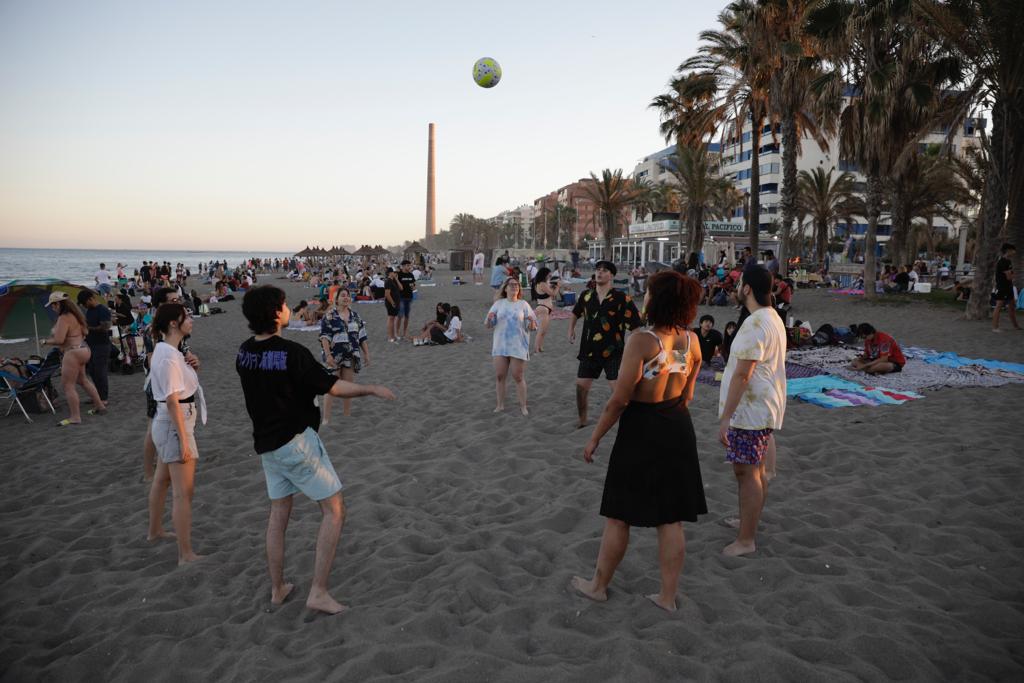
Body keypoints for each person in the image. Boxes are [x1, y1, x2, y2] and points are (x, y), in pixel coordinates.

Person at [236, 285, 395, 615]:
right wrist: (371, 389)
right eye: (283, 304)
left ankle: (278, 588)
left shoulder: (244, 352)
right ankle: (318, 592)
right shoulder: (292, 353)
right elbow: (333, 387)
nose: (288, 307)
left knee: (279, 514)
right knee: (334, 510)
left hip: (267, 446)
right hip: (296, 444)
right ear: (275, 313)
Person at [572, 271, 706, 612]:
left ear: (656, 300)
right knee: (670, 518)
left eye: (647, 292)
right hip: (677, 424)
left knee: (618, 515)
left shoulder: (643, 341)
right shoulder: (692, 340)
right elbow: (689, 388)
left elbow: (619, 399)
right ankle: (667, 597)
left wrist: (594, 437)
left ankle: (598, 586)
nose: (643, 297)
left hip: (642, 429)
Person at [717, 266, 787, 557]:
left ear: (747, 289)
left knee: (746, 473)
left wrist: (725, 418)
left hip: (751, 412)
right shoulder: (771, 318)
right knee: (755, 471)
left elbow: (743, 375)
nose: (736, 287)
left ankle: (746, 539)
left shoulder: (756, 323)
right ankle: (749, 521)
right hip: (762, 407)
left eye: (739, 283)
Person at [146, 303, 206, 565]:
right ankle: (185, 554)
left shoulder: (169, 350)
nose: (191, 320)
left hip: (170, 421)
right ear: (173, 323)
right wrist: (183, 439)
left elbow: (181, 384)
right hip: (175, 422)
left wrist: (193, 364)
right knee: (184, 492)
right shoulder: (169, 355)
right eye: (187, 316)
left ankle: (155, 531)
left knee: (162, 481)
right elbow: (172, 399)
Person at [568, 260, 641, 428]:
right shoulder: (587, 295)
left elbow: (636, 326)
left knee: (619, 394)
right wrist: (570, 330)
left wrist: (636, 350)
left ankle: (627, 423)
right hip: (589, 351)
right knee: (581, 389)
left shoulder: (621, 298)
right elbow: (575, 313)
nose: (600, 273)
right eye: (598, 270)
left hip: (613, 351)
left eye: (604, 271)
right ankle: (582, 421)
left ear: (612, 276)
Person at [43, 292, 106, 426]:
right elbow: (86, 332)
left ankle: (75, 417)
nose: (52, 308)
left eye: (53, 305)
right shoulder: (76, 315)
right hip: (84, 349)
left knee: (68, 385)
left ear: (58, 304)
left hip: (72, 353)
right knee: (83, 380)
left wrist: (45, 342)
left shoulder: (63, 318)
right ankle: (100, 406)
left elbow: (59, 340)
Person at [485, 277, 538, 415]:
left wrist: (531, 323)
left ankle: (523, 406)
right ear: (506, 288)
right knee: (500, 376)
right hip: (500, 345)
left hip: (518, 345)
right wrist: (490, 320)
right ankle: (500, 405)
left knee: (518, 376)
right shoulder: (498, 304)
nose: (515, 287)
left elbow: (533, 326)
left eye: (517, 285)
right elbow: (488, 324)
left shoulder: (524, 304)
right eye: (512, 285)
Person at [319, 288, 370, 423]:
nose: (346, 298)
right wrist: (328, 355)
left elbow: (362, 337)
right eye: (343, 296)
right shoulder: (330, 316)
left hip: (351, 355)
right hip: (334, 356)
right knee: (331, 387)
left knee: (348, 386)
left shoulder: (355, 316)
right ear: (337, 299)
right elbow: (324, 337)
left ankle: (347, 414)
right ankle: (326, 418)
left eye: (347, 295)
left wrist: (366, 354)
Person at [77, 289, 112, 402]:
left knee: (100, 372)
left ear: (90, 299)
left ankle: (104, 398)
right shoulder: (89, 310)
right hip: (90, 344)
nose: (84, 306)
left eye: (84, 303)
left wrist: (88, 328)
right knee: (92, 371)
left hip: (101, 345)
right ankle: (96, 396)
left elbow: (105, 327)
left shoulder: (103, 310)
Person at [531, 267, 560, 353]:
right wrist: (558, 286)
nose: (550, 276)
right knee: (541, 331)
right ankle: (536, 348)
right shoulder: (542, 284)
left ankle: (540, 347)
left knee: (544, 331)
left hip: (546, 309)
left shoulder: (544, 283)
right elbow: (553, 294)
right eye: (549, 274)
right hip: (543, 308)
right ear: (544, 274)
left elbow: (550, 289)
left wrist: (554, 285)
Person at [992, 243, 1020, 332]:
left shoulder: (1008, 261)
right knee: (999, 306)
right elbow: (1009, 276)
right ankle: (995, 327)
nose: (1014, 252)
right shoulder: (1003, 262)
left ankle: (1016, 326)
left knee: (1012, 306)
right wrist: (1014, 275)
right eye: (1013, 250)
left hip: (1009, 286)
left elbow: (1010, 275)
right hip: (1002, 287)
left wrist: (1012, 274)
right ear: (1008, 250)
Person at [396, 260, 416, 340]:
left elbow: (414, 286)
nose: (409, 267)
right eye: (407, 265)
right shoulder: (399, 274)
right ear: (403, 266)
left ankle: (404, 333)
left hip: (409, 297)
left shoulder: (411, 275)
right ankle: (396, 333)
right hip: (400, 297)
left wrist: (413, 287)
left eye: (409, 266)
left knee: (407, 316)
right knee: (400, 315)